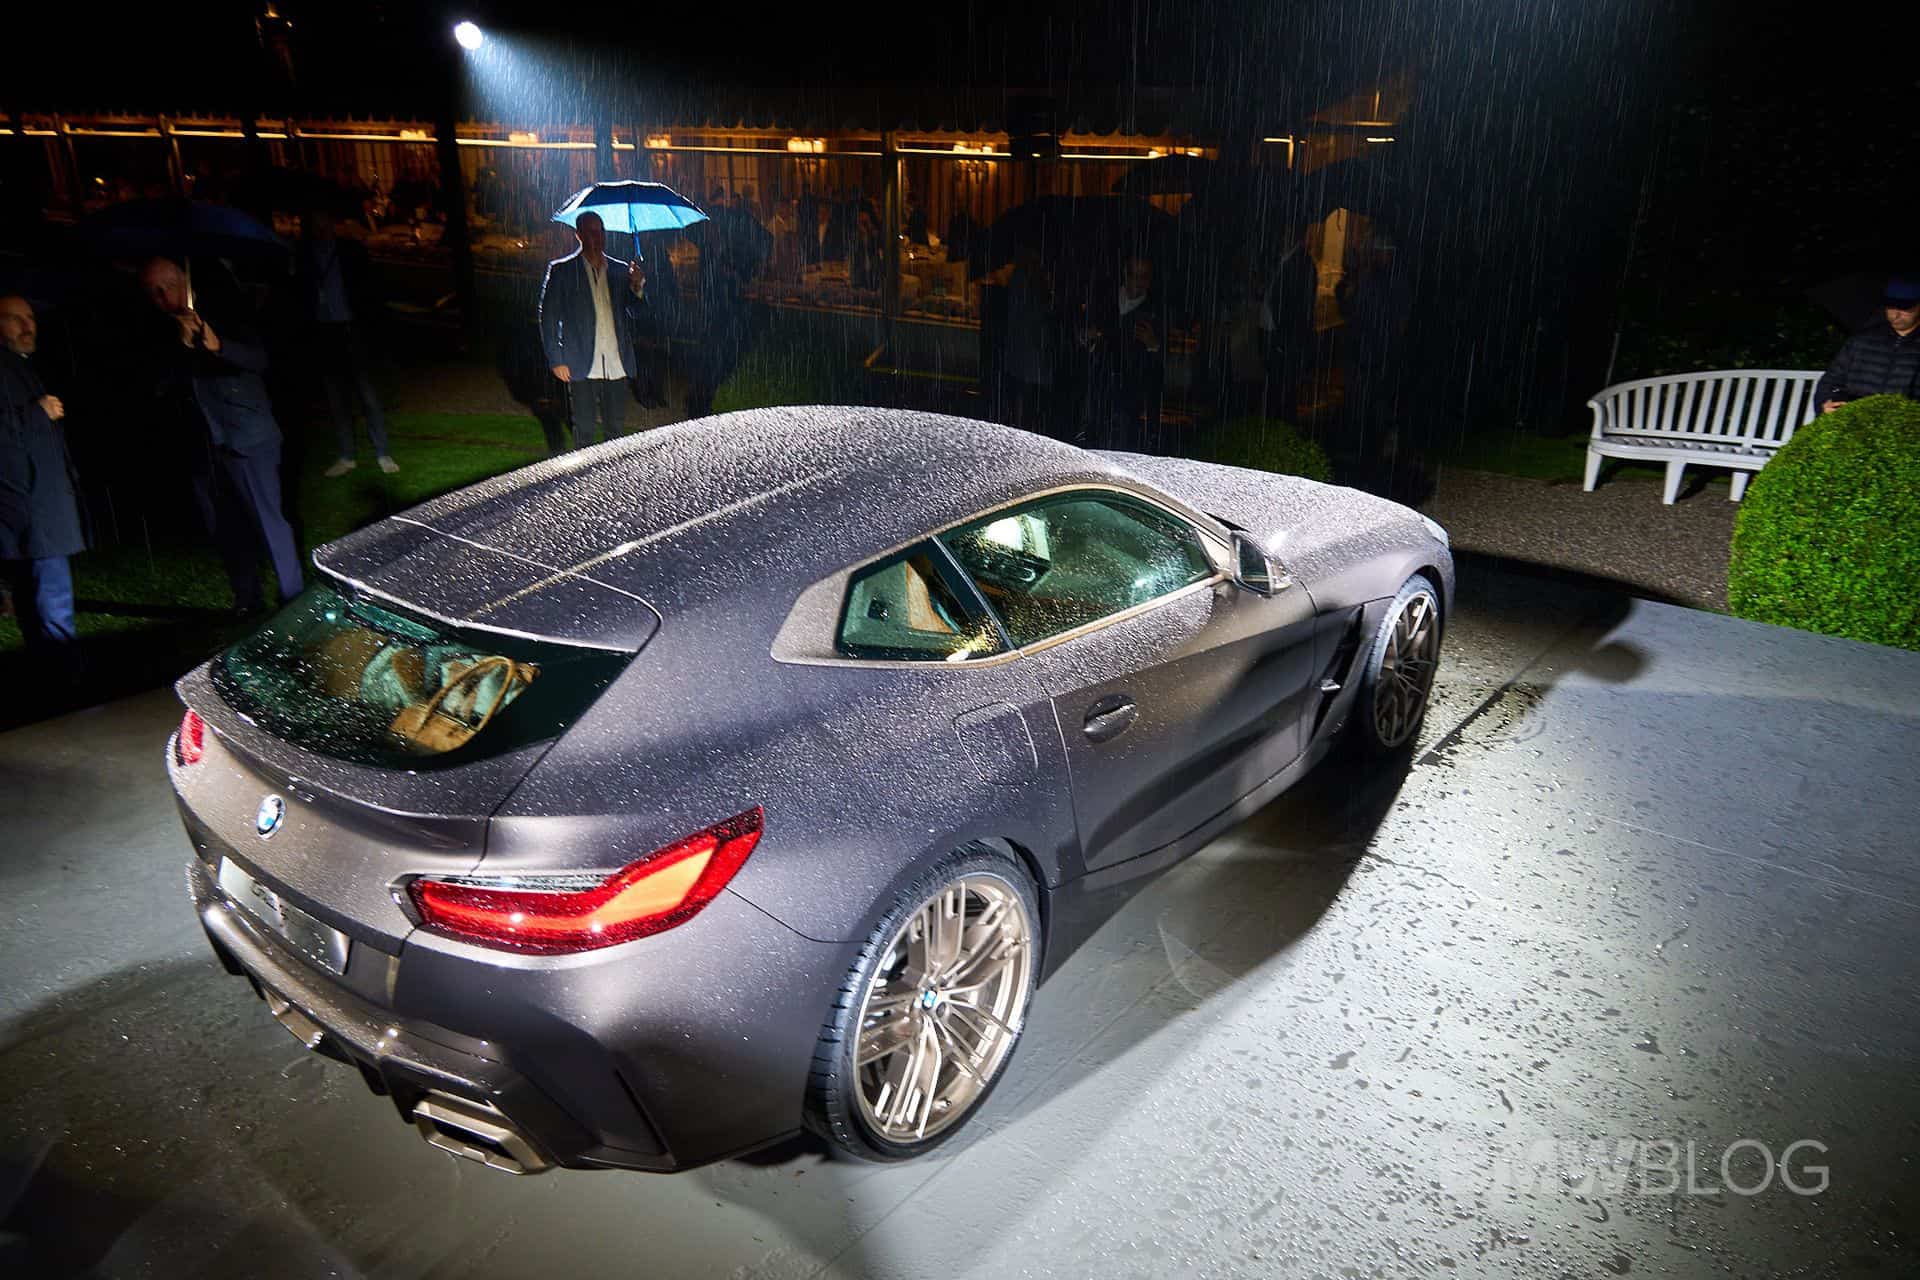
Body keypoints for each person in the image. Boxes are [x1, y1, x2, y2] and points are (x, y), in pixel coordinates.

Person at [140, 257, 304, 613]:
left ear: (184, 279)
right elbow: (156, 386)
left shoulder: (225, 307)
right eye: (155, 291)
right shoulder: (157, 331)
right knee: (225, 527)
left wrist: (218, 346)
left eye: (169, 285)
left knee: (269, 520)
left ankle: (292, 597)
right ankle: (247, 598)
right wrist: (181, 349)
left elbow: (260, 359)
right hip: (203, 445)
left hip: (247, 437)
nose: (164, 296)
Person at [0, 295, 85, 674]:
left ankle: (48, 671)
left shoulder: (22, 366)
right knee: (49, 594)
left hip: (36, 499)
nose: (26, 326)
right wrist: (38, 412)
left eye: (30, 317)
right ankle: (65, 675)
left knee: (36, 592)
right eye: (14, 319)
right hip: (29, 500)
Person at [293, 206, 396, 477]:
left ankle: (382, 451)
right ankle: (347, 455)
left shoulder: (349, 251)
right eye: (313, 222)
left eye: (322, 220)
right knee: (337, 396)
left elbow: (369, 289)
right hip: (325, 331)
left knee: (367, 394)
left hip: (351, 328)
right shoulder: (304, 254)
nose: (319, 227)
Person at [537, 211, 643, 452]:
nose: (598, 237)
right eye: (591, 231)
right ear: (579, 235)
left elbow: (637, 312)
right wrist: (556, 359)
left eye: (601, 231)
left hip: (617, 363)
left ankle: (612, 475)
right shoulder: (563, 270)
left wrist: (637, 286)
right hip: (580, 362)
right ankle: (584, 475)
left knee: (616, 432)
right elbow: (548, 318)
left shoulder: (620, 270)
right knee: (584, 431)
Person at [1817, 276, 1920, 412]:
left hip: (1903, 419)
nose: (1895, 315)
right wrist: (1825, 403)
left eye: (1904, 309)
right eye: (1890, 307)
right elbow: (1829, 381)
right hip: (1854, 415)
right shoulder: (1860, 341)